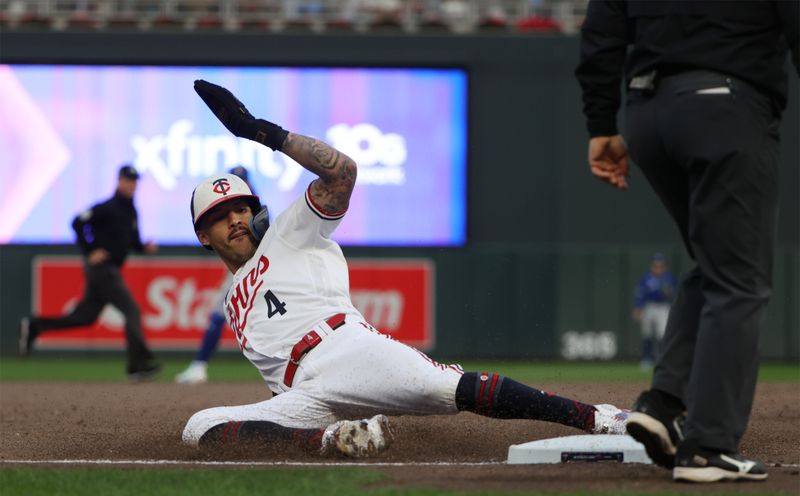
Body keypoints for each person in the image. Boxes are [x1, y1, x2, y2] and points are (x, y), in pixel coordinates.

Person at [181, 79, 629, 458]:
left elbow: (342, 174)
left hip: (347, 352)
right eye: (220, 216)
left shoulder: (289, 231)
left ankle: (600, 416)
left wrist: (264, 133)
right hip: (303, 396)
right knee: (199, 425)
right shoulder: (231, 299)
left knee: (453, 390)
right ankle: (335, 440)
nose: (236, 219)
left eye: (241, 208)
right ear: (204, 236)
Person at [576, 0, 798, 482]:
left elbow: (600, 33)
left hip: (647, 114)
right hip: (725, 105)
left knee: (718, 262)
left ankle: (664, 403)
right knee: (741, 280)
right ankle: (707, 447)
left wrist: (600, 126)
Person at [18, 165, 161, 381]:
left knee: (84, 317)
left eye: (135, 181)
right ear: (119, 181)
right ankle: (138, 365)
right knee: (131, 310)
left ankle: (34, 326)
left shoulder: (131, 211)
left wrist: (144, 248)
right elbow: (77, 222)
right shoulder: (108, 207)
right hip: (103, 269)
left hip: (109, 269)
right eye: (128, 180)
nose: (132, 184)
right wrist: (90, 250)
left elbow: (132, 242)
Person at [174, 166, 265, 385]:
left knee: (220, 313)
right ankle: (199, 366)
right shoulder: (248, 211)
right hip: (248, 267)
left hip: (260, 264)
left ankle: (199, 366)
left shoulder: (254, 211)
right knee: (220, 313)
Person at [632, 253, 675, 371]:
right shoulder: (646, 278)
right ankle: (646, 359)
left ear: (664, 266)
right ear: (652, 266)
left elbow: (675, 295)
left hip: (663, 307)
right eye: (656, 265)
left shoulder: (669, 278)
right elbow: (640, 294)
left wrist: (669, 294)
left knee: (662, 334)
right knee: (647, 333)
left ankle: (662, 359)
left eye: (660, 265)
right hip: (649, 307)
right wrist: (638, 307)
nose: (658, 267)